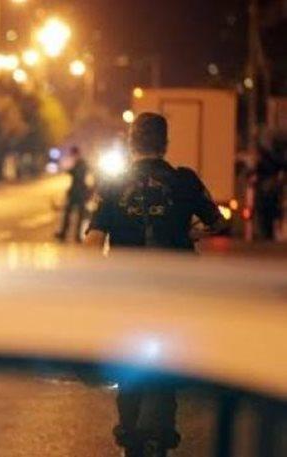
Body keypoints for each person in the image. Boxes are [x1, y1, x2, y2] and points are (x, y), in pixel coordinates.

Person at [84, 113, 227, 457]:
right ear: (165, 143)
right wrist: (193, 233)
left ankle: (128, 436)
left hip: (126, 294)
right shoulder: (184, 180)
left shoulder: (112, 184)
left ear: (131, 142)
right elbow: (219, 223)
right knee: (170, 365)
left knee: (125, 365)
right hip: (175, 292)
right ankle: (162, 437)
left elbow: (93, 242)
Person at [55, 146, 92, 243]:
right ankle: (66, 234)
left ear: (76, 154)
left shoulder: (81, 164)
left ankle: (76, 235)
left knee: (78, 215)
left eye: (73, 154)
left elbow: (78, 175)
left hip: (79, 193)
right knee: (70, 214)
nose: (72, 156)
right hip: (76, 193)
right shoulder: (78, 163)